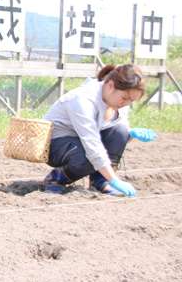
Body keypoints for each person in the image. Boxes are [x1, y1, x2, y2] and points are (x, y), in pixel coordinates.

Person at [43, 63, 157, 197]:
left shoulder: (118, 101)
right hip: (56, 144)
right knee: (89, 156)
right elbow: (92, 144)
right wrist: (114, 179)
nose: (126, 103)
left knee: (121, 131)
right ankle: (56, 178)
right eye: (124, 98)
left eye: (131, 101)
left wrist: (129, 134)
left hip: (81, 141)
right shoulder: (82, 100)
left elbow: (114, 135)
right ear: (110, 86)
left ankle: (100, 181)